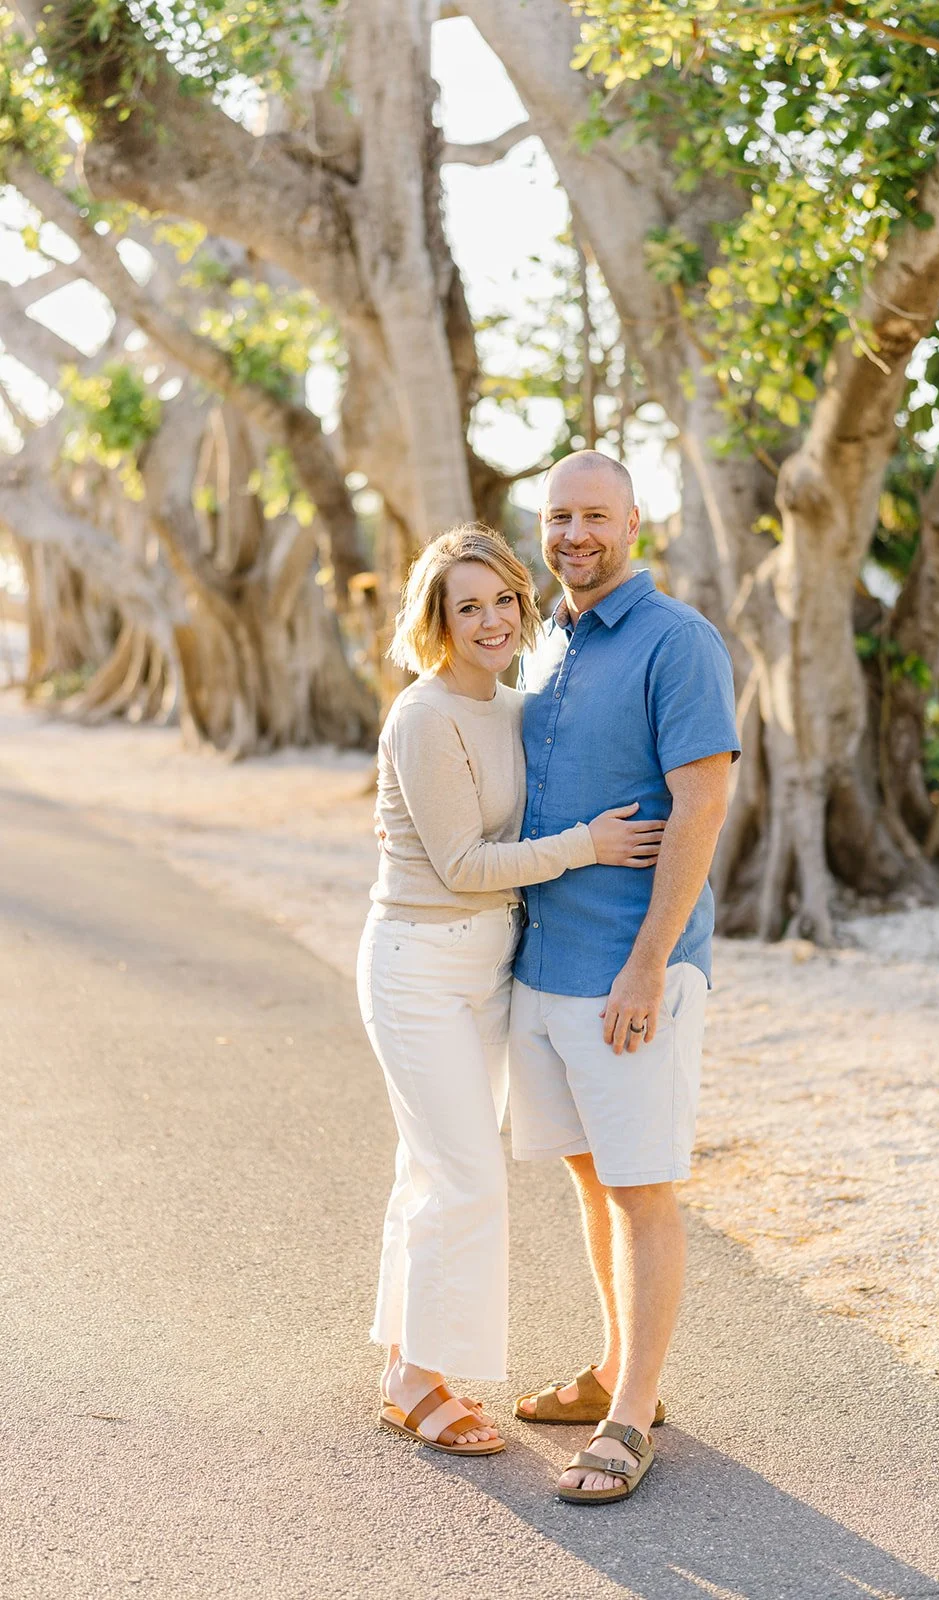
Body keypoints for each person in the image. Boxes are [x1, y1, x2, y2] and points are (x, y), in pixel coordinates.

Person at [359, 523, 665, 1457]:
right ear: (436, 620)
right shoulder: (423, 715)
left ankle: (403, 1363)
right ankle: (417, 1381)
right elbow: (458, 862)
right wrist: (589, 846)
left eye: (502, 600)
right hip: (417, 964)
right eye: (468, 605)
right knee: (464, 1174)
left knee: (432, 1168)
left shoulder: (515, 706)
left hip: (487, 966)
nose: (490, 620)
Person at [509, 451, 739, 1503]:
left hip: (626, 976)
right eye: (558, 515)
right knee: (589, 1177)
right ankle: (613, 1368)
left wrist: (648, 964)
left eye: (593, 514)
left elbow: (700, 808)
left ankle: (629, 1415)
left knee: (642, 1188)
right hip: (544, 969)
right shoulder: (541, 641)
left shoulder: (677, 642)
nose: (572, 534)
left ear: (635, 523)